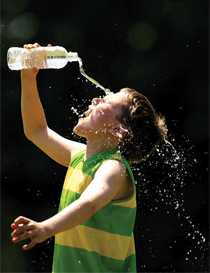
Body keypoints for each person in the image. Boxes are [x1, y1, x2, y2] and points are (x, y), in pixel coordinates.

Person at [11, 43, 168, 273]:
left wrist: (46, 228)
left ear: (118, 130)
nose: (95, 100)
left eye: (105, 101)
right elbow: (37, 131)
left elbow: (90, 203)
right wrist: (28, 76)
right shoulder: (80, 157)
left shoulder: (114, 168)